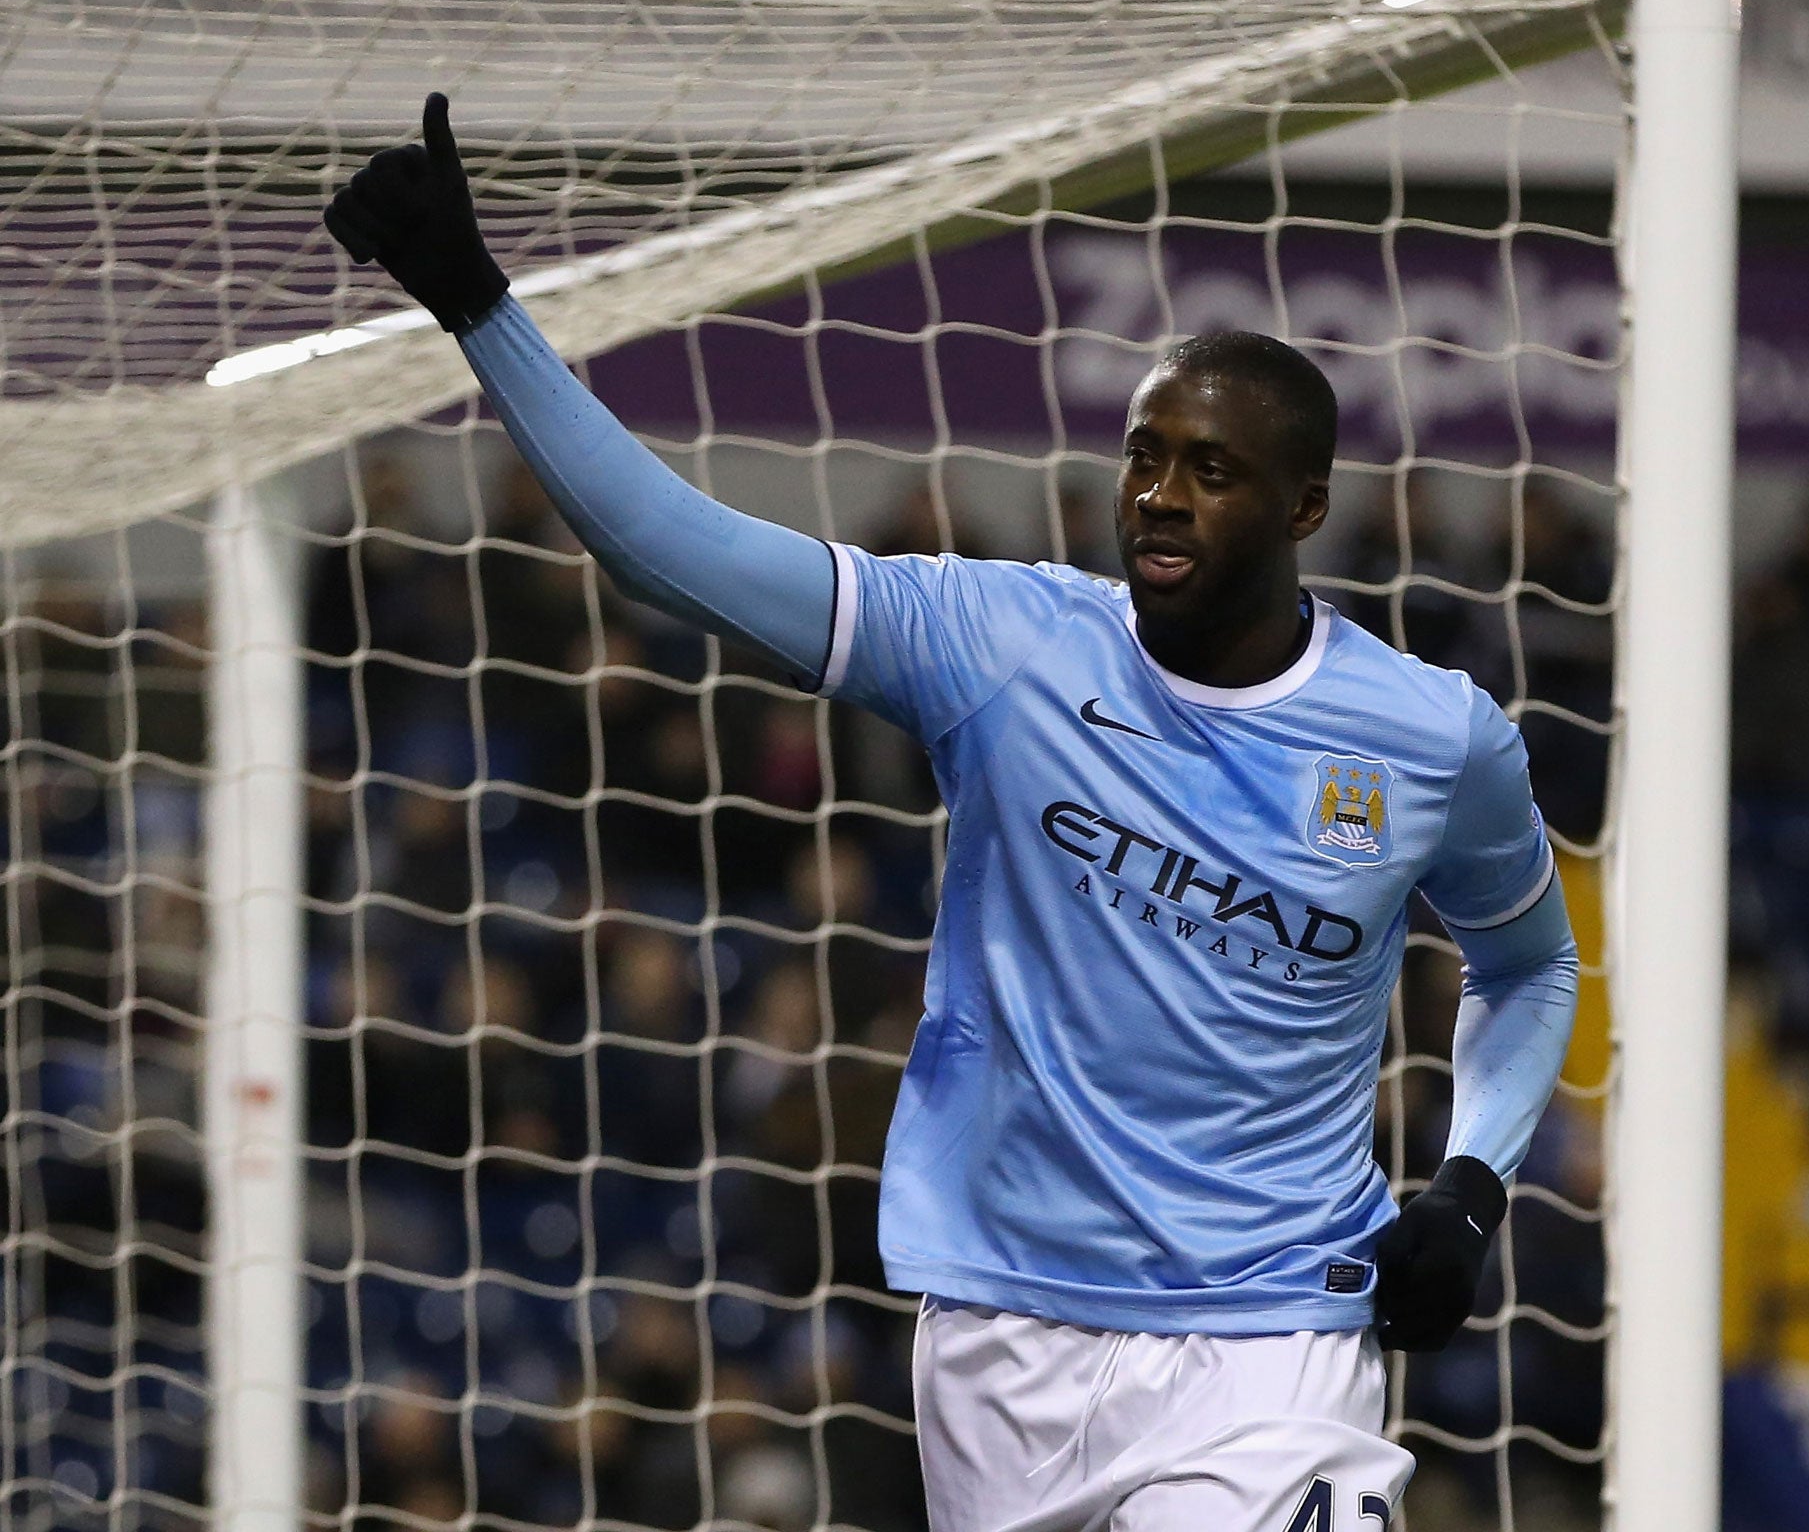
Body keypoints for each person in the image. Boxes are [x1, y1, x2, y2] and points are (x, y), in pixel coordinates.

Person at [325, 95, 1579, 1532]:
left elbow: (1530, 960)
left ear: (1306, 509)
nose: (1159, 499)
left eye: (1211, 472)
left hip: (1273, 1340)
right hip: (1000, 1332)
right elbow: (671, 546)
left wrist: (1470, 1190)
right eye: (1145, 457)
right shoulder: (1000, 643)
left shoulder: (1429, 734)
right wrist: (479, 308)